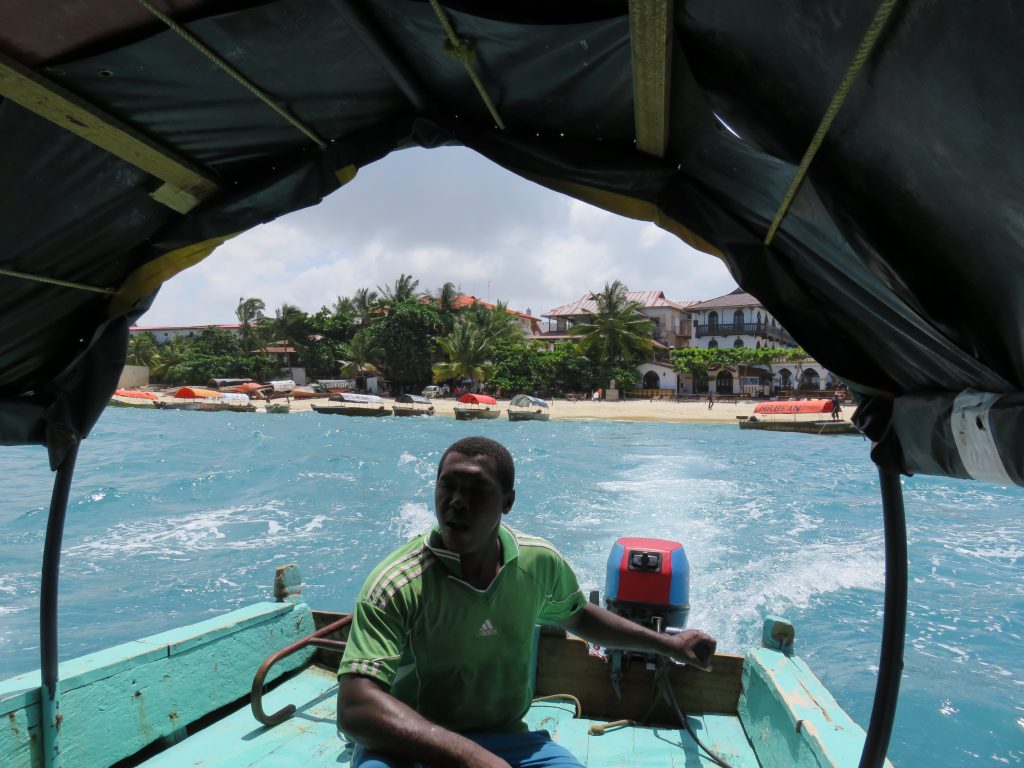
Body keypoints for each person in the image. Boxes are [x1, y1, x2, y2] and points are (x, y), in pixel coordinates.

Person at [337, 436, 717, 768]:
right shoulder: (397, 585)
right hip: (410, 742)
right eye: (447, 487)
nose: (456, 502)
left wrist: (670, 645)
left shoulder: (538, 563)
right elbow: (356, 708)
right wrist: (466, 757)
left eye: (476, 490)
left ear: (508, 502)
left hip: (506, 740)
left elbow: (579, 615)